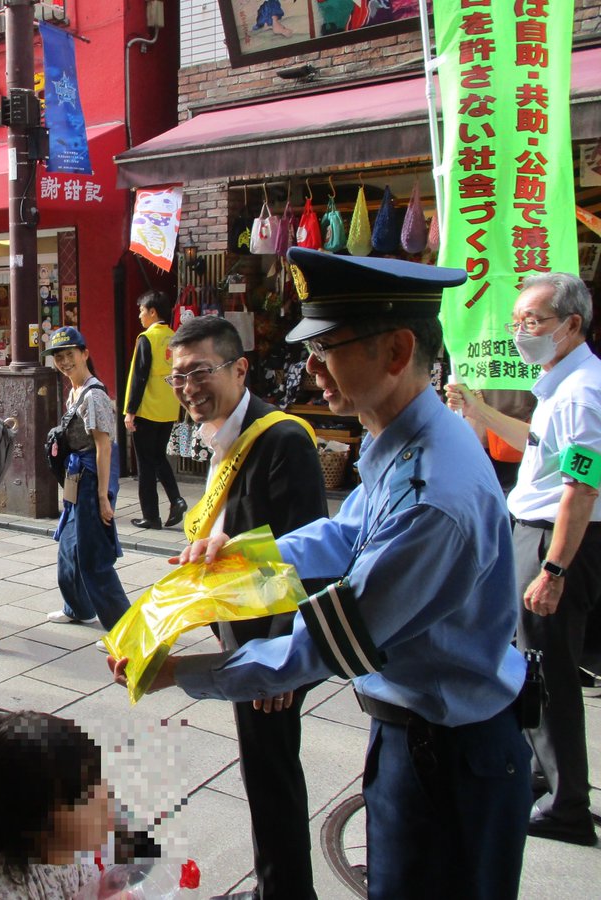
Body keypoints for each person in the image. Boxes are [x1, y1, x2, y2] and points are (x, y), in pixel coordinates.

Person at [112, 248, 532, 899]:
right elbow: (342, 532)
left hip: (450, 752)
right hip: (416, 731)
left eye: (326, 348)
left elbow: (328, 643)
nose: (310, 367)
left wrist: (177, 672)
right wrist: (243, 557)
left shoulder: (433, 495)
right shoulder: (403, 441)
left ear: (396, 351)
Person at [165, 315, 326, 900]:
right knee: (262, 768)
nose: (188, 388)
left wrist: (282, 656)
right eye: (178, 377)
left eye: (200, 372)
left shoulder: (281, 439)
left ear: (239, 369)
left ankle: (284, 892)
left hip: (272, 641)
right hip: (241, 627)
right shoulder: (219, 434)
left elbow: (310, 554)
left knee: (271, 773)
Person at [446, 272, 600, 847]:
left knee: (549, 669)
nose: (520, 333)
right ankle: (542, 771)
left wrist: (554, 570)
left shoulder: (583, 391)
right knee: (532, 662)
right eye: (516, 322)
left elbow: (582, 486)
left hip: (554, 540)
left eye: (531, 321)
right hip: (536, 531)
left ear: (571, 325)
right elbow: (537, 441)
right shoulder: (560, 383)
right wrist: (479, 411)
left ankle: (567, 804)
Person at [0, 711, 110, 899]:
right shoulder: (7, 890)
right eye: (87, 796)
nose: (105, 800)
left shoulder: (74, 852)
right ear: (39, 820)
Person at [44, 327, 130, 646]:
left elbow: (103, 447)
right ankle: (78, 608)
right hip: (76, 476)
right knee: (69, 546)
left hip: (93, 478)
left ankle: (125, 630)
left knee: (93, 557)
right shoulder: (74, 391)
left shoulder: (93, 396)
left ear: (85, 354)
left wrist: (103, 497)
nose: (65, 361)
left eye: (70, 354)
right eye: (59, 356)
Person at [124, 290, 187, 530]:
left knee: (146, 465)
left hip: (147, 408)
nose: (139, 315)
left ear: (152, 312)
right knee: (159, 456)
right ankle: (176, 499)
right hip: (168, 408)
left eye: (142, 310)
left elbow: (139, 377)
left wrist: (130, 410)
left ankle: (151, 516)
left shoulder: (146, 338)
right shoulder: (175, 338)